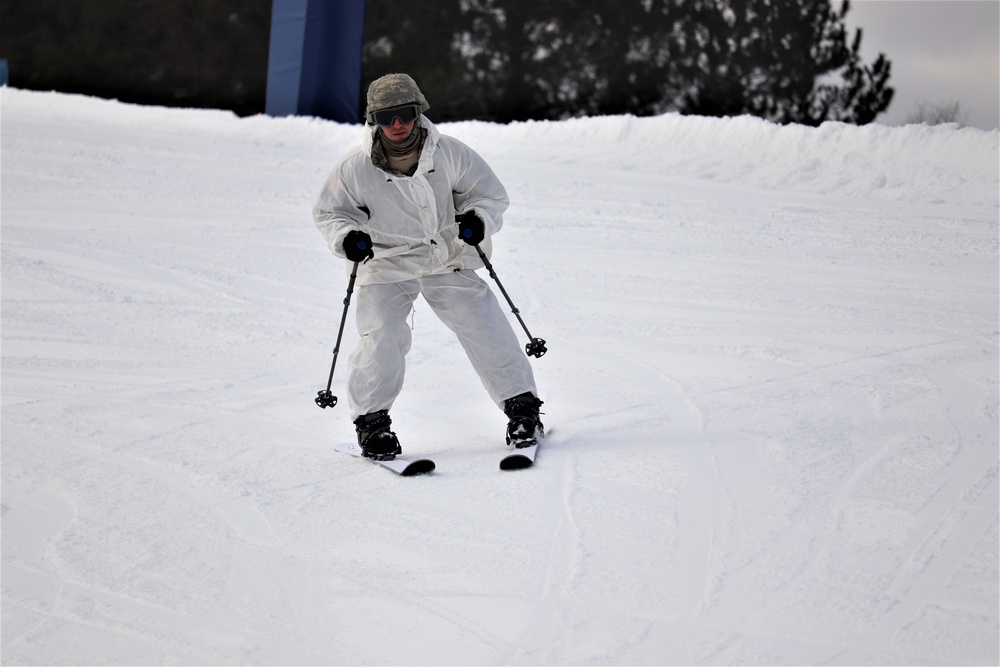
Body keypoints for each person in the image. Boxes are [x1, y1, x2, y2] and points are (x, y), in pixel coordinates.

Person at [313, 73, 543, 461]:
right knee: (382, 335)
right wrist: (347, 238)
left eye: (405, 113)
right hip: (385, 260)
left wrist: (477, 220)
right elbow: (331, 213)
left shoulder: (451, 153)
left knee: (483, 323)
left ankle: (522, 410)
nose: (397, 124)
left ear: (419, 112)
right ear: (374, 121)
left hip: (445, 255)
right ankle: (373, 425)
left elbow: (488, 195)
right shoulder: (354, 167)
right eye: (387, 118)